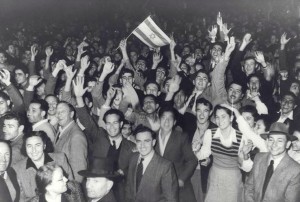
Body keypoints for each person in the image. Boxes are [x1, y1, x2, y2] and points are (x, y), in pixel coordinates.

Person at [196, 104, 264, 202]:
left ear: (231, 118)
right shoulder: (210, 133)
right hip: (215, 179)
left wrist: (245, 155)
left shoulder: (241, 137)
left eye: (223, 116)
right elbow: (202, 155)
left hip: (233, 181)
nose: (220, 120)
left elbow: (247, 168)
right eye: (217, 117)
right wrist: (197, 150)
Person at [244, 122, 300, 202]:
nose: (274, 144)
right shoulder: (259, 158)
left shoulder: (295, 170)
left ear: (287, 144)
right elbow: (249, 187)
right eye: (271, 140)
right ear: (267, 142)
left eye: (280, 141)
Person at [13, 131, 74, 200]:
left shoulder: (60, 159)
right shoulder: (17, 169)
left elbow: (71, 187)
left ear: (44, 146)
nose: (34, 150)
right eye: (29, 146)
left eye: (37, 145)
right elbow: (21, 199)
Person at [154, 106, 197, 202]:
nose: (166, 121)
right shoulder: (152, 137)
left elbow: (192, 160)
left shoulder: (182, 137)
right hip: (158, 187)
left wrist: (181, 179)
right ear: (159, 120)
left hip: (179, 186)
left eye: (170, 118)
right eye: (164, 117)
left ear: (174, 122)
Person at [126, 125, 178, 202]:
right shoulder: (133, 158)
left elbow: (170, 199)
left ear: (153, 142)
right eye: (139, 141)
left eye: (146, 141)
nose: (142, 145)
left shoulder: (165, 166)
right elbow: (129, 189)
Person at [54, 101, 88, 183]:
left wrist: (74, 192)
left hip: (70, 186)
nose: (59, 115)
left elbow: (79, 171)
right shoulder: (62, 130)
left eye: (63, 112)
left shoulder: (76, 136)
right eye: (57, 112)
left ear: (71, 114)